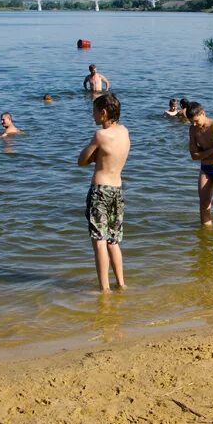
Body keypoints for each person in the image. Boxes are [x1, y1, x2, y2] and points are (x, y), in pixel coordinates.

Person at [77, 93, 129, 292]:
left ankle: (104, 289)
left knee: (99, 241)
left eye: (94, 111)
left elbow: (81, 161)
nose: (92, 115)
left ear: (104, 113)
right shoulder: (124, 131)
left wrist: (93, 156)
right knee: (113, 240)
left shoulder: (100, 135)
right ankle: (121, 284)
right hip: (117, 190)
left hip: (100, 191)